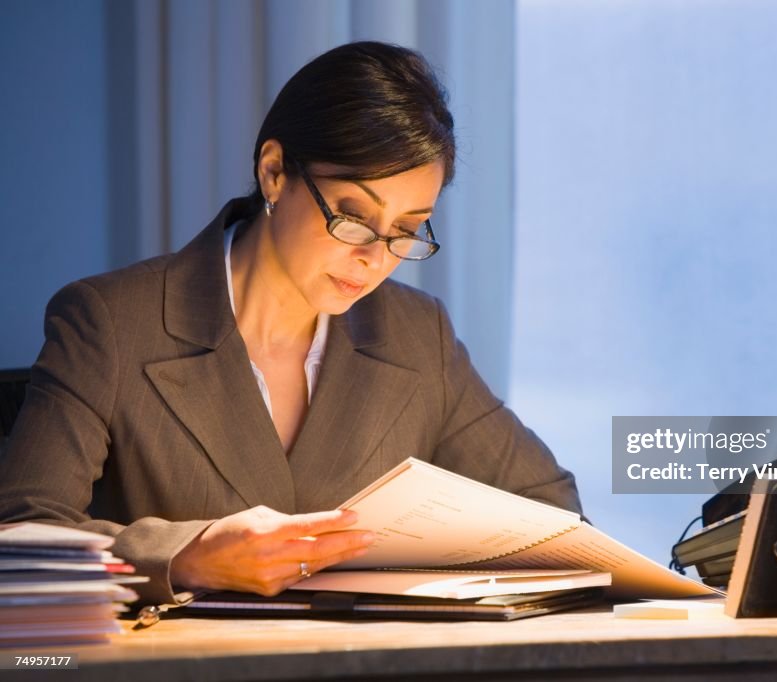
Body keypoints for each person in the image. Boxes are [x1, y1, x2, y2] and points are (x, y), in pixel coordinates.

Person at [0, 42, 582, 605]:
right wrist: (186, 555)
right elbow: (20, 536)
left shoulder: (416, 332)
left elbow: (552, 512)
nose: (375, 256)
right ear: (274, 172)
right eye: (353, 217)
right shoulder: (110, 321)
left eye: (406, 229)